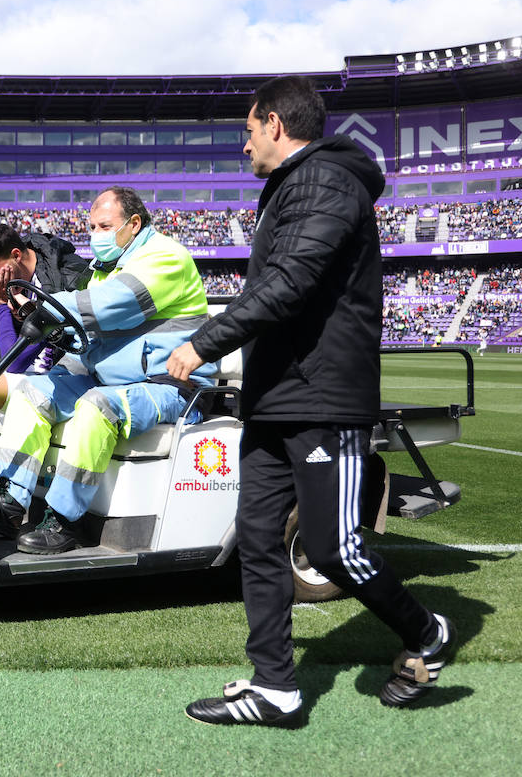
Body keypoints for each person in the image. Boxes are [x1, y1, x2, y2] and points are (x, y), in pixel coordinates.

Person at [166, 75, 454, 724]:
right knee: (260, 538)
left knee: (330, 549)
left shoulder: (327, 182)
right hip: (274, 399)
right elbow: (278, 288)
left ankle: (428, 634)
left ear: (274, 123)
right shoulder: (291, 189)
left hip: (325, 397)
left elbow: (291, 283)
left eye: (246, 131)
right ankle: (276, 687)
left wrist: (203, 344)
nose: (243, 147)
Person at [0, 186, 216, 553]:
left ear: (134, 223)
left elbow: (110, 304)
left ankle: (64, 521)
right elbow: (87, 334)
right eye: (91, 227)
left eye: (104, 226)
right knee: (32, 391)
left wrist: (41, 304)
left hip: (169, 384)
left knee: (97, 406)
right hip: (108, 376)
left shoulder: (166, 258)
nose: (95, 236)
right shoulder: (102, 268)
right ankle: (10, 502)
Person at [0, 221, 91, 468]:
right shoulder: (20, 281)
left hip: (66, 376)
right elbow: (6, 348)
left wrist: (0, 305)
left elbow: (13, 362)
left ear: (16, 255)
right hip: (33, 369)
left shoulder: (68, 278)